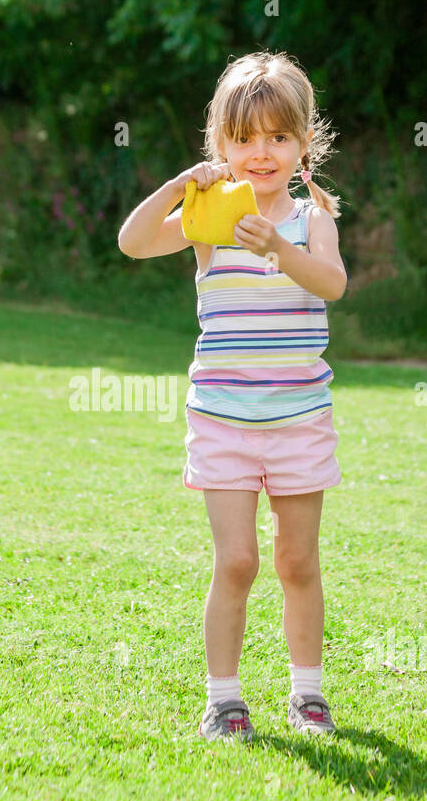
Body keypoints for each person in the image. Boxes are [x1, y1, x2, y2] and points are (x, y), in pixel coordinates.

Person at [117, 50, 349, 742]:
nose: (262, 153)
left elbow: (332, 284)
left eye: (279, 137)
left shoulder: (312, 221)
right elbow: (132, 244)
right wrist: (177, 187)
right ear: (221, 146)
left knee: (298, 561)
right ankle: (224, 700)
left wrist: (278, 245)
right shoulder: (210, 219)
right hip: (223, 421)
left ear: (304, 144)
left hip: (299, 420)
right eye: (245, 140)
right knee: (239, 561)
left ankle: (306, 695)